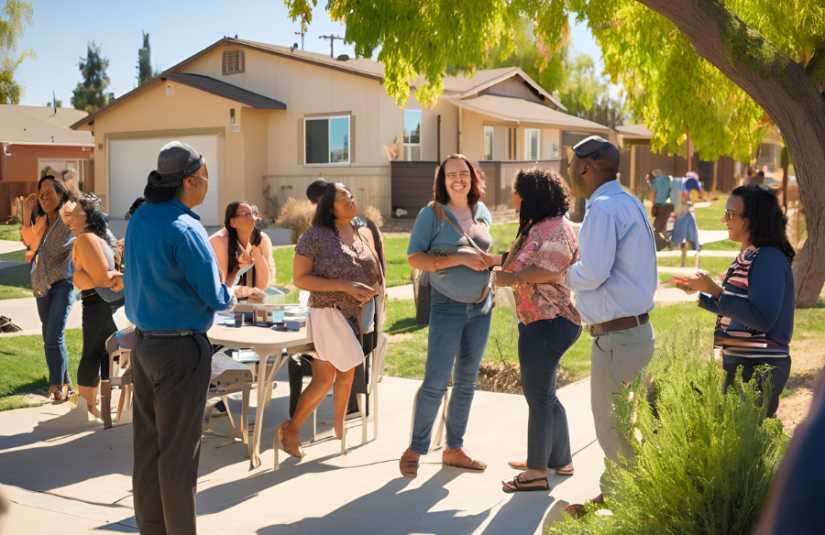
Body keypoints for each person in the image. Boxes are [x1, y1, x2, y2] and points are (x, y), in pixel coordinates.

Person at [124, 141, 235, 535]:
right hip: (180, 351)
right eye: (205, 175)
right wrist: (233, 290)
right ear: (189, 180)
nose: (207, 182)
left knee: (148, 450)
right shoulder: (187, 228)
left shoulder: (139, 219)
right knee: (178, 459)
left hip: (144, 346)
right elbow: (215, 295)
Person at [562, 136, 658, 513]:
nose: (569, 167)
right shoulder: (629, 201)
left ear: (585, 166)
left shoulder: (602, 208)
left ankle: (627, 505)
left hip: (617, 338)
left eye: (571, 161)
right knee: (627, 424)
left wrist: (565, 273)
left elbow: (594, 272)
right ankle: (619, 492)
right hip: (633, 333)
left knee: (611, 427)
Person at [400, 154, 501, 478]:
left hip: (481, 307)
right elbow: (415, 258)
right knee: (436, 382)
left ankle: (454, 448)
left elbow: (483, 255)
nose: (459, 179)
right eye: (451, 175)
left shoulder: (481, 212)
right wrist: (459, 258)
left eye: (464, 174)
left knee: (467, 382)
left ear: (473, 177)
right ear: (442, 181)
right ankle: (415, 449)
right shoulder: (432, 214)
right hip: (447, 306)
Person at [495, 168, 582, 492]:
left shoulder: (556, 229)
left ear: (531, 194)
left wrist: (512, 279)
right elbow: (520, 259)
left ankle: (535, 472)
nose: (513, 196)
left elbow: (548, 269)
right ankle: (559, 459)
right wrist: (492, 261)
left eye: (517, 191)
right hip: (539, 322)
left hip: (550, 322)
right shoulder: (540, 226)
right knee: (544, 395)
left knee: (538, 398)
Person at [283, 182, 384, 458]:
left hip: (355, 314)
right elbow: (300, 279)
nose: (351, 198)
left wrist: (366, 290)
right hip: (328, 311)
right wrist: (346, 286)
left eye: (352, 194)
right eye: (343, 197)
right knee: (347, 367)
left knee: (328, 378)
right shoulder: (314, 236)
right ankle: (324, 431)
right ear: (329, 206)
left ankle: (323, 430)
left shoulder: (359, 231)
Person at [683, 184, 795, 418]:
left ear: (753, 219)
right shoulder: (750, 255)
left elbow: (762, 319)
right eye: (726, 213)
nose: (725, 220)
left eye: (731, 214)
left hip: (760, 366)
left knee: (746, 443)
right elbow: (740, 311)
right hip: (744, 362)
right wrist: (701, 295)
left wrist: (716, 291)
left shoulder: (768, 258)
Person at [68, 193, 124, 427]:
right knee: (100, 355)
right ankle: (90, 409)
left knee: (98, 355)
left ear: (88, 217)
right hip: (100, 302)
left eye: (74, 214)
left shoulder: (88, 238)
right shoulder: (90, 239)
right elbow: (103, 278)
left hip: (99, 304)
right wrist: (117, 276)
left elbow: (99, 277)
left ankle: (92, 409)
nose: (69, 219)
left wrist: (109, 276)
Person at [20, 176, 77, 401]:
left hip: (63, 283)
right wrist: (27, 211)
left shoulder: (68, 216)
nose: (44, 196)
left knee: (54, 336)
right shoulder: (43, 221)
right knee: (49, 337)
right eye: (41, 193)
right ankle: (66, 383)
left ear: (61, 194)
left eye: (49, 191)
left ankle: (56, 386)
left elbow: (88, 224)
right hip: (41, 286)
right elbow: (28, 240)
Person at [209, 202, 275, 301]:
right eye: (245, 214)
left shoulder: (261, 239)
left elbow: (262, 286)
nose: (250, 217)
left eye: (252, 214)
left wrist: (256, 254)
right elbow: (219, 289)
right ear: (232, 222)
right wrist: (237, 268)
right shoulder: (218, 242)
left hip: (242, 297)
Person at [671, 172, 705, 267]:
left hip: (682, 208)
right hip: (687, 209)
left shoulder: (683, 182)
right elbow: (697, 195)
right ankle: (692, 250)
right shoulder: (693, 181)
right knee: (691, 233)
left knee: (685, 235)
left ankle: (684, 260)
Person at [646, 169, 672, 251]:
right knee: (663, 226)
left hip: (660, 206)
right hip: (669, 205)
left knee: (657, 227)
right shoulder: (667, 179)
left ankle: (663, 245)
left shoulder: (654, 182)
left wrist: (654, 206)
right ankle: (669, 244)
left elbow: (652, 197)